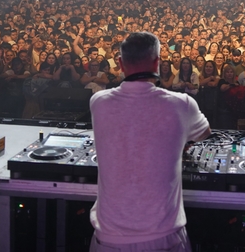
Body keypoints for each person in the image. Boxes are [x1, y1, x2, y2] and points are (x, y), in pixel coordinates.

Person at [89, 32, 210, 251]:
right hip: (165, 237)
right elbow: (203, 133)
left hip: (109, 238)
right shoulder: (182, 104)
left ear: (120, 64)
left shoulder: (98, 102)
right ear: (157, 63)